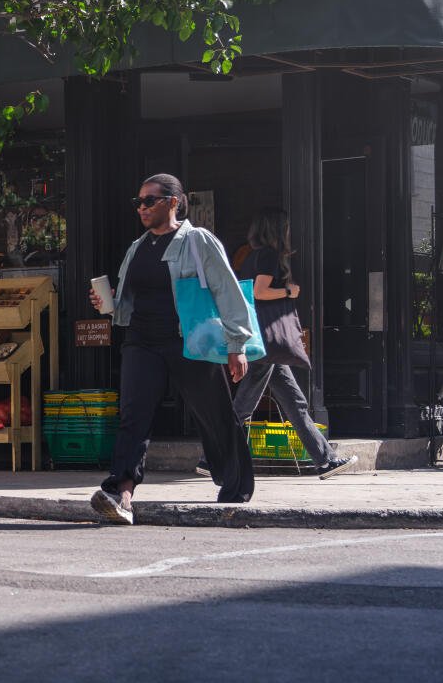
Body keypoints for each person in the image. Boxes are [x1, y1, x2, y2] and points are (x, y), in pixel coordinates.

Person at [87, 174, 257, 524]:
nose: (142, 208)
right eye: (138, 202)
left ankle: (235, 483)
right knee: (133, 416)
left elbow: (227, 289)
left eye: (150, 200)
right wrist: (107, 303)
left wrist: (236, 344)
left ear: (173, 202)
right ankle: (120, 493)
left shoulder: (197, 241)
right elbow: (127, 299)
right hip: (141, 340)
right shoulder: (138, 246)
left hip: (188, 340)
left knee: (215, 413)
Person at [223, 208, 353, 478]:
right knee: (243, 406)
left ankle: (325, 459)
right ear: (277, 230)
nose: (289, 233)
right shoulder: (268, 255)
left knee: (296, 403)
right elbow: (259, 292)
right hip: (267, 340)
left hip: (262, 339)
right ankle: (214, 459)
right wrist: (288, 291)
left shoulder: (250, 257)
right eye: (287, 228)